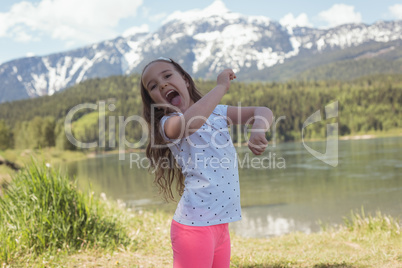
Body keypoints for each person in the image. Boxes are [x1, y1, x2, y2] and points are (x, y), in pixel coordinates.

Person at [140, 57, 273, 268]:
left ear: (185, 80)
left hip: (220, 225)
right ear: (154, 100)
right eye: (153, 86)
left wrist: (258, 128)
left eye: (167, 76)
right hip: (194, 229)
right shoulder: (167, 126)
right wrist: (221, 86)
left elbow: (262, 111)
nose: (162, 84)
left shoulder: (218, 113)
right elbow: (192, 122)